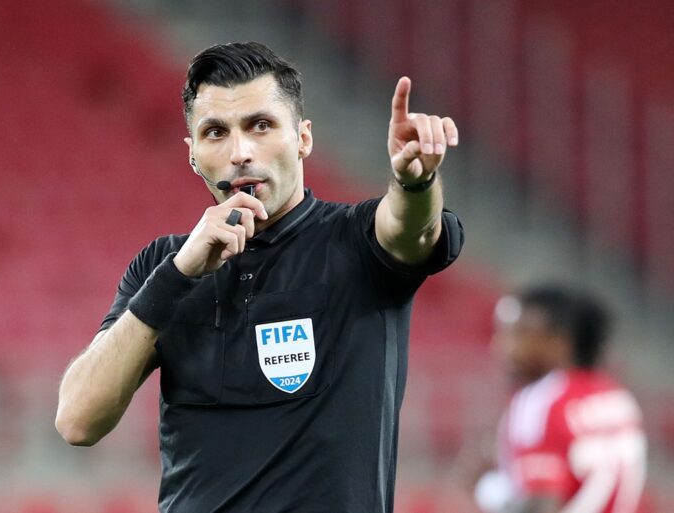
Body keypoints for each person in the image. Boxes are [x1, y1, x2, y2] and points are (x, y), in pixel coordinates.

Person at [55, 41, 464, 512]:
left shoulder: (355, 241)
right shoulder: (162, 266)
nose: (240, 152)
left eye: (261, 126)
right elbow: (77, 420)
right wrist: (178, 276)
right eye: (215, 132)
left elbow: (410, 229)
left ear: (303, 138)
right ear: (192, 154)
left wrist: (414, 182)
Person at [474, 285, 647, 513]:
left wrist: (489, 492)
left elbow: (540, 507)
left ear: (560, 343)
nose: (501, 346)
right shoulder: (618, 397)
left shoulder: (540, 401)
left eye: (519, 333)